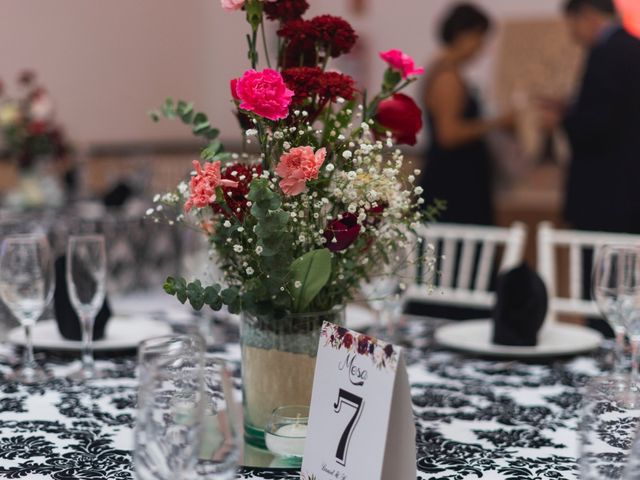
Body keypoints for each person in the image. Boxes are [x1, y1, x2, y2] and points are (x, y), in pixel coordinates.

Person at [541, 0, 640, 234]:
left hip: (606, 191)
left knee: (599, 266)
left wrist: (562, 121)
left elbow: (597, 123)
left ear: (586, 15)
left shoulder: (606, 53)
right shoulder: (631, 47)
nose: (572, 33)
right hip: (628, 189)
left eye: (572, 24)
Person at [420, 3, 513, 226]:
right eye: (480, 39)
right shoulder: (447, 78)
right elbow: (449, 134)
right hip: (454, 183)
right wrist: (498, 122)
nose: (481, 47)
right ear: (464, 35)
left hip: (462, 180)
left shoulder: (449, 72)